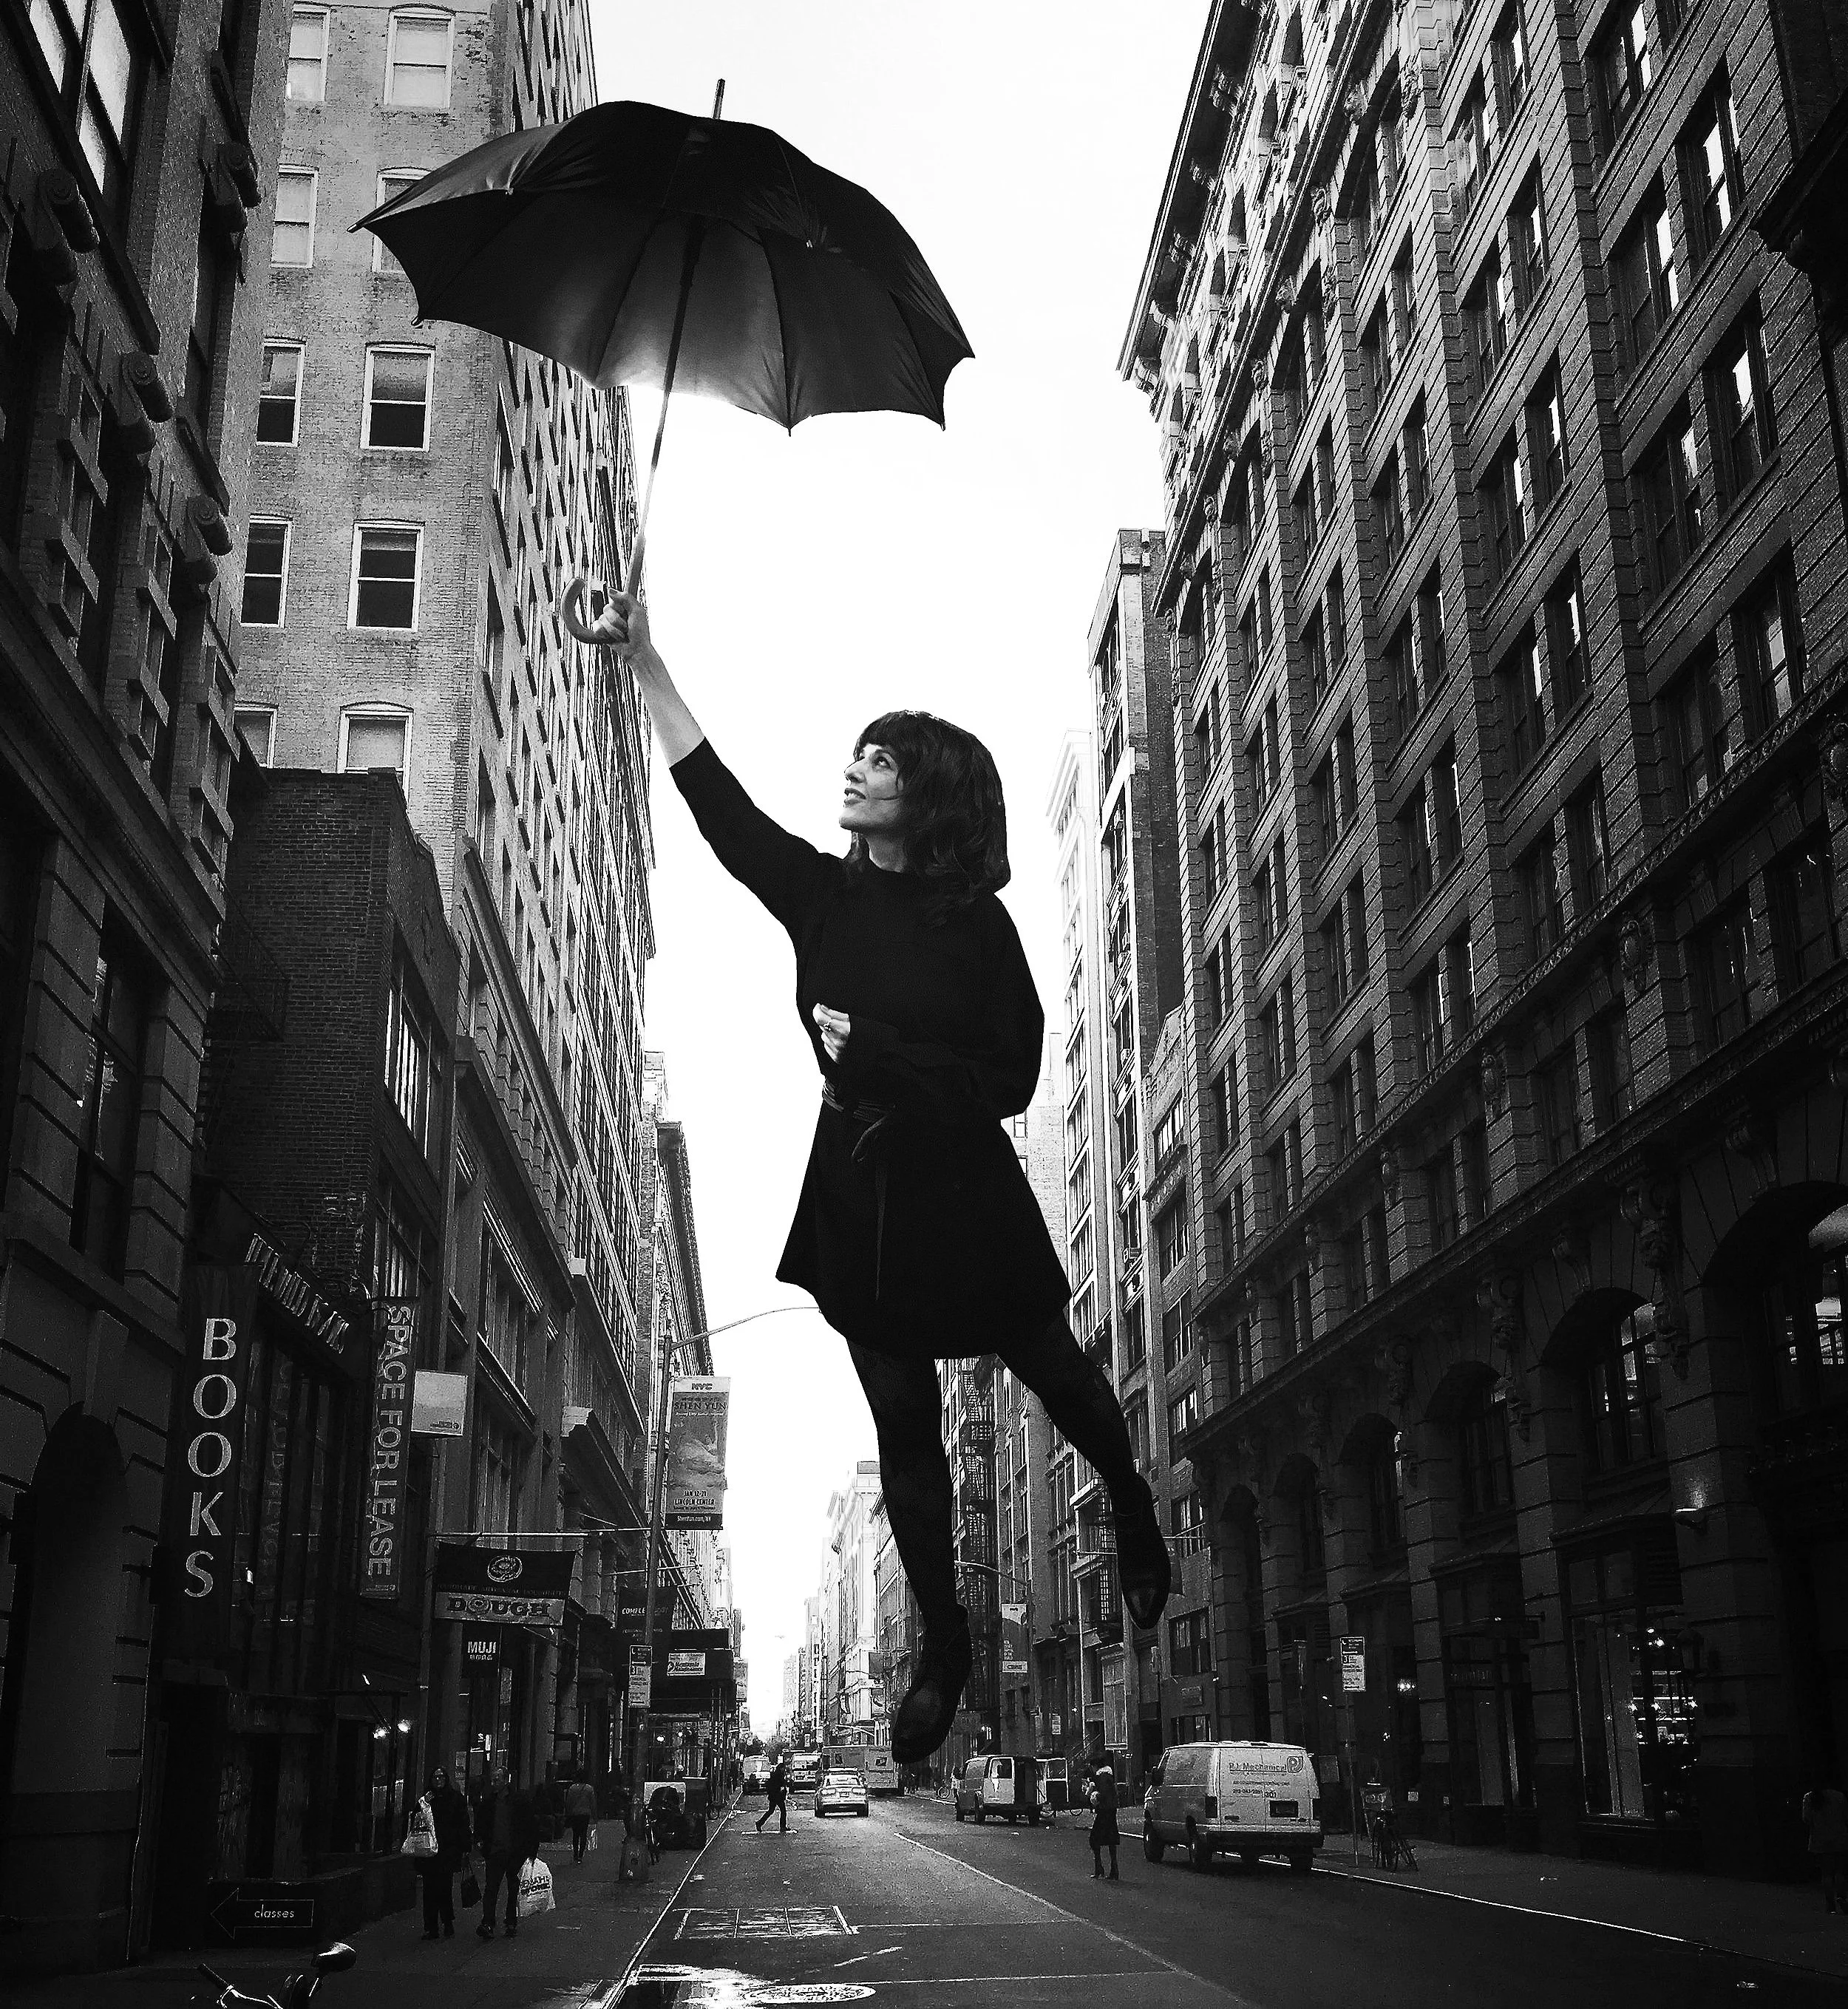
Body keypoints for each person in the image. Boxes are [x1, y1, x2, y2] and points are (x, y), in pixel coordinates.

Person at [584, 588, 1170, 1765]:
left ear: (930, 793)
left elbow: (1011, 1071)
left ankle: (1137, 1507)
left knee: (1055, 1366)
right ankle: (941, 1646)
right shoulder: (825, 894)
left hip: (963, 1178)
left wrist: (892, 1058)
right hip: (862, 1187)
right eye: (857, 753)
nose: (854, 770)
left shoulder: (978, 925)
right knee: (904, 1423)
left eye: (881, 760)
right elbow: (720, 809)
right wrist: (644, 653)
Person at [474, 1761, 540, 1940]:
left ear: (506, 1781)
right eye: (492, 1780)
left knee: (513, 1888)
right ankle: (487, 1922)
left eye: (497, 1780)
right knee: (491, 1889)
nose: (494, 1783)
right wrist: (480, 1842)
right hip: (495, 1852)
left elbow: (530, 1827)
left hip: (514, 1853)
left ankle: (511, 1922)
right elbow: (481, 1824)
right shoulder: (489, 1803)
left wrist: (531, 1851)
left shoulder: (519, 1801)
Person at [418, 1764, 472, 1940]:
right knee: (429, 1890)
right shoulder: (427, 1799)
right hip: (429, 1850)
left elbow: (463, 1822)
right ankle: (431, 1926)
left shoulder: (455, 1798)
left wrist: (464, 1847)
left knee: (444, 1888)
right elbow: (418, 1819)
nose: (439, 1781)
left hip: (447, 1849)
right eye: (436, 1778)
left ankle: (447, 1922)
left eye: (442, 1777)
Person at [1802, 1768, 1848, 1914]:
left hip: (1820, 1839)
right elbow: (1845, 1816)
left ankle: (1830, 1904)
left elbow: (1806, 1819)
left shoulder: (1809, 1798)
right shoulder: (1839, 1796)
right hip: (1839, 1837)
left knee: (1826, 1873)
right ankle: (1842, 1897)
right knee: (1840, 1871)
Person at [1089, 1761, 1121, 1882]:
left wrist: (1095, 1799)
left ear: (1095, 1766)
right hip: (1112, 1811)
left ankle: (1099, 1868)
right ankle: (1114, 1869)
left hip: (1104, 1812)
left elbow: (1101, 1796)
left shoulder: (1100, 1778)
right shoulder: (1109, 1777)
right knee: (1111, 1840)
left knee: (1094, 1839)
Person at [565, 1771, 598, 1863]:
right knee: (583, 1834)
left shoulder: (572, 1788)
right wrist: (595, 1815)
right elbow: (593, 1803)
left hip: (575, 1814)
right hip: (585, 1814)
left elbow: (569, 1802)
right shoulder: (589, 1789)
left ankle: (575, 1854)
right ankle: (580, 1856)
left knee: (575, 1835)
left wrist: (568, 1813)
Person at [756, 1756, 790, 1835]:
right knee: (783, 1811)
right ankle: (782, 1826)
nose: (784, 1770)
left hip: (773, 1796)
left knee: (771, 1811)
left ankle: (760, 1823)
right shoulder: (779, 1776)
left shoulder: (775, 1774)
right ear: (781, 1768)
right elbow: (781, 1786)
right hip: (777, 1796)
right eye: (783, 1768)